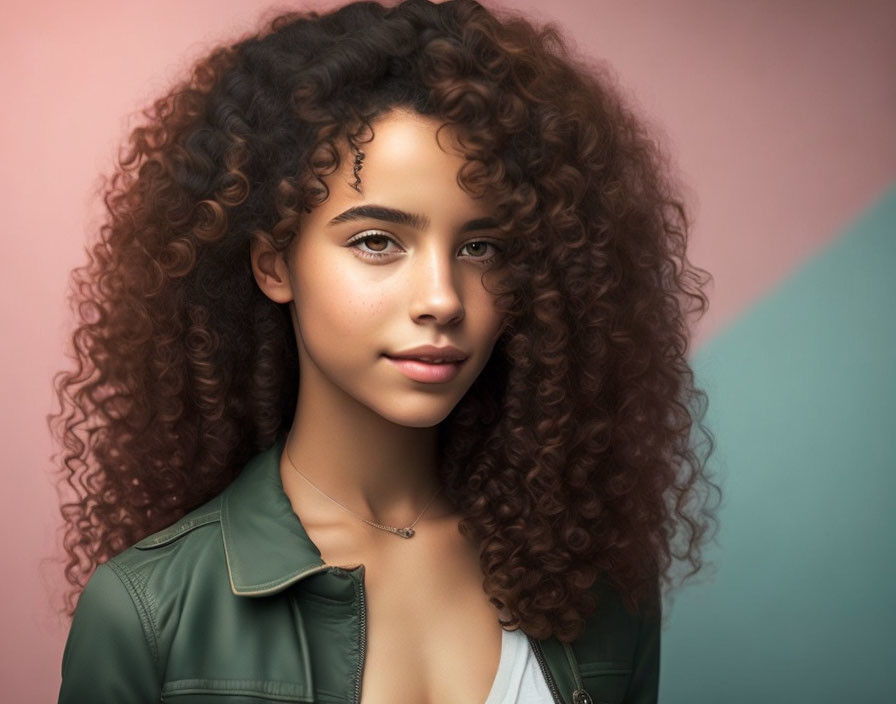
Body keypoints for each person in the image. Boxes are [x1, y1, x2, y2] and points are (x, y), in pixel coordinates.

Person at [50, 0, 719, 702]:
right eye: (378, 241)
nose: (443, 298)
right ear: (275, 264)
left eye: (481, 247)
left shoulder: (598, 585)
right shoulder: (148, 617)